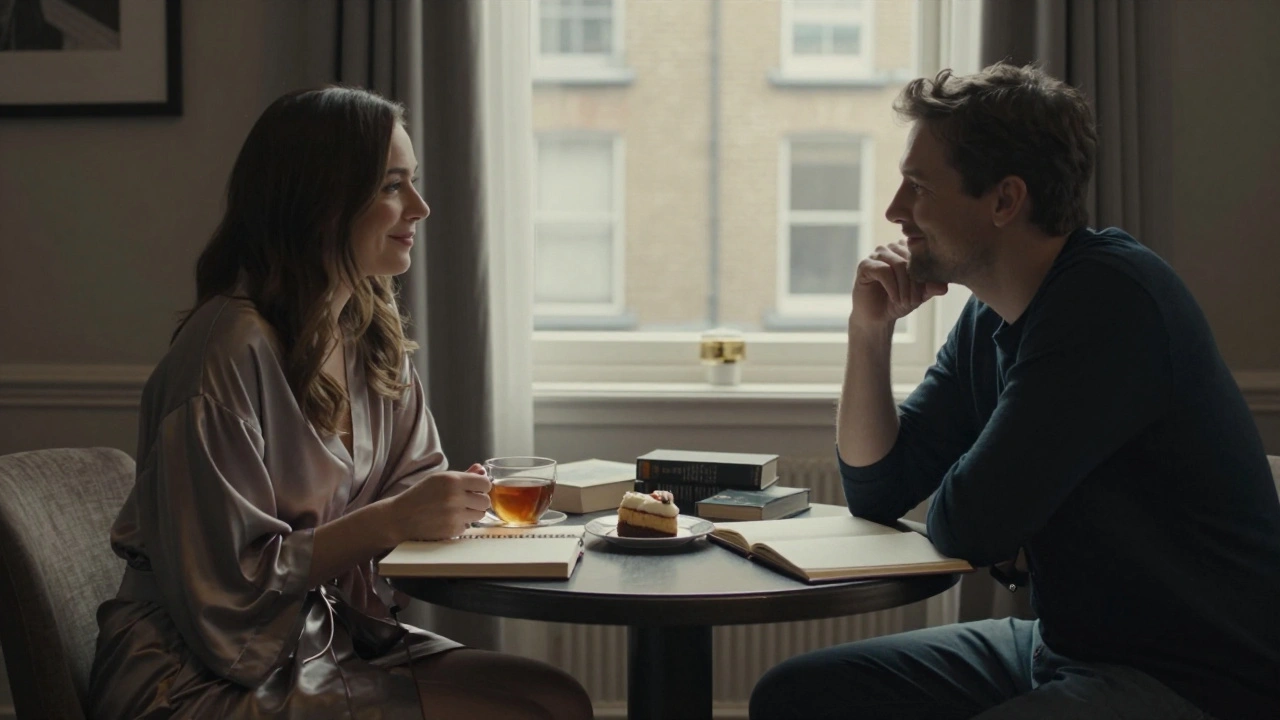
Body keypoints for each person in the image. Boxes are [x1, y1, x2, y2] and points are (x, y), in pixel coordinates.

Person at [750, 62, 1280, 720]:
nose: (894, 212)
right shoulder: (989, 316)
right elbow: (879, 487)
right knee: (798, 696)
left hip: (1191, 679)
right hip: (1059, 648)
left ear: (1004, 201)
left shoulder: (1110, 303)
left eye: (917, 187)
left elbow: (970, 524)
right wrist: (869, 332)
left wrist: (996, 506)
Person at [87, 86, 594, 720]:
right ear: (319, 202)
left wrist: (448, 506)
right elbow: (227, 591)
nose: (421, 207)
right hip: (194, 675)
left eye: (413, 183)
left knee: (557, 697)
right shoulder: (223, 356)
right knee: (539, 711)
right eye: (391, 186)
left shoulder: (366, 330)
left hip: (322, 641)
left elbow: (414, 483)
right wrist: (392, 520)